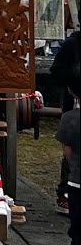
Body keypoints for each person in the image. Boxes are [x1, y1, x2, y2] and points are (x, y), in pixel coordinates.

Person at [51, 28, 81, 217]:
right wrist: (75, 79)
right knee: (72, 146)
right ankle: (65, 191)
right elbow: (56, 71)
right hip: (76, 101)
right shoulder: (72, 44)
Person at [55, 81, 79, 241]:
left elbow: (67, 152)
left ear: (70, 90)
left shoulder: (69, 118)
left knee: (77, 229)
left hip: (77, 181)